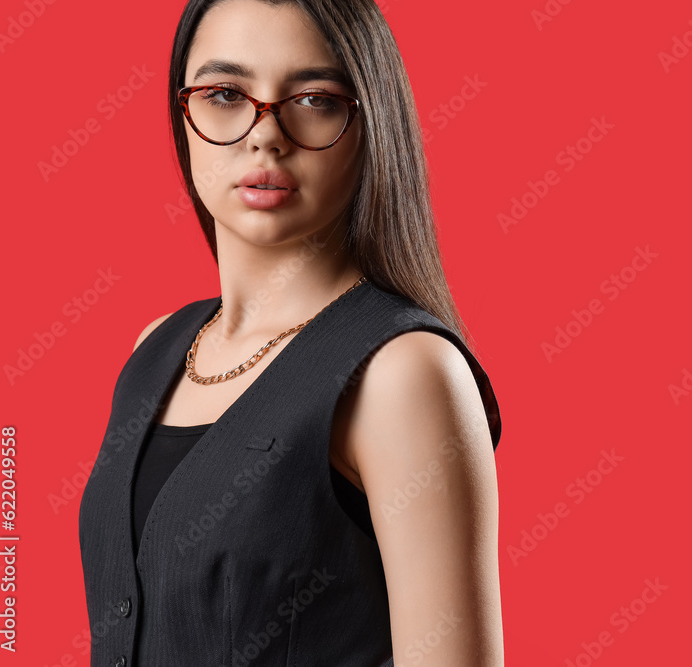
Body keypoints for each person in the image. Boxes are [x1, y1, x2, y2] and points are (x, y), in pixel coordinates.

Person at [77, 1, 504, 665]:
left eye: (314, 99)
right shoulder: (153, 348)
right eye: (224, 94)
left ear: (367, 122)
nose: (264, 136)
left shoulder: (402, 372)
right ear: (181, 114)